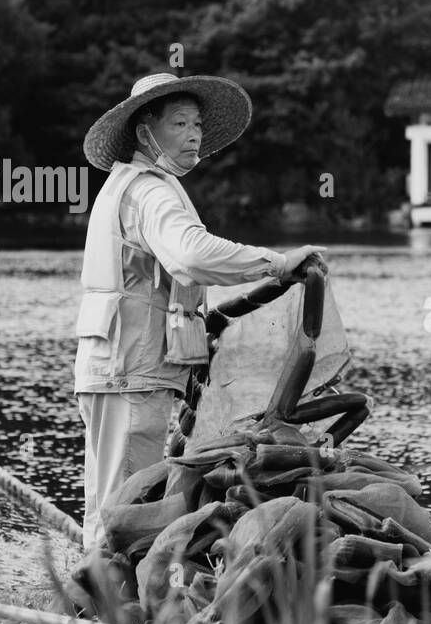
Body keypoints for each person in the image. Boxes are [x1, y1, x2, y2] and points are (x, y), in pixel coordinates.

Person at [75, 72, 325, 549]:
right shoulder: (150, 191)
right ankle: (102, 610)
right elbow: (190, 256)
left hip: (119, 367)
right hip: (130, 372)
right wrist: (276, 263)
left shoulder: (127, 184)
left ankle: (97, 601)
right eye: (179, 123)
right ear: (144, 131)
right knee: (127, 505)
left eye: (196, 124)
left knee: (115, 499)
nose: (193, 135)